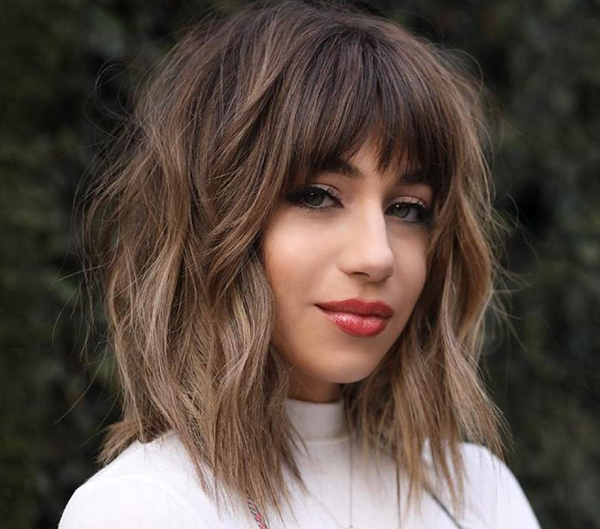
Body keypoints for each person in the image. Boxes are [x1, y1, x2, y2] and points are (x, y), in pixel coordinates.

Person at [59, 0, 542, 527]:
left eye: (407, 209)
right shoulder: (146, 506)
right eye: (317, 197)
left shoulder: (477, 494)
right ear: (214, 217)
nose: (376, 256)